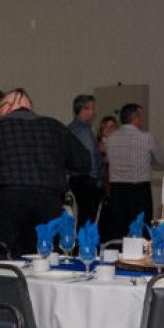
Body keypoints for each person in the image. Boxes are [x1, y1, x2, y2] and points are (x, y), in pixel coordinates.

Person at [0, 89, 90, 255]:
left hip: (4, 203)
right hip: (48, 204)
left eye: (0, 110)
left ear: (7, 107)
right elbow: (84, 162)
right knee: (43, 259)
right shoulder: (56, 127)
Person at [102, 103, 164, 234]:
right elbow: (161, 160)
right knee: (141, 229)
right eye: (140, 117)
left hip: (117, 190)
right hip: (140, 190)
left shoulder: (110, 139)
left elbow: (107, 159)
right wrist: (149, 160)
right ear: (135, 119)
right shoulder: (147, 138)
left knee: (120, 228)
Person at [66, 94, 103, 230]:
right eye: (92, 108)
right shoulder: (83, 131)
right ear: (83, 110)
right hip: (87, 180)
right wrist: (96, 179)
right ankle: (85, 242)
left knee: (83, 216)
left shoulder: (71, 128)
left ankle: (82, 241)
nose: (95, 112)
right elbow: (89, 157)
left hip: (77, 179)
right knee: (88, 219)